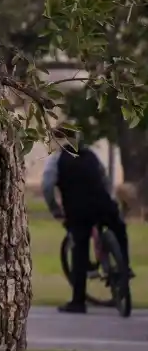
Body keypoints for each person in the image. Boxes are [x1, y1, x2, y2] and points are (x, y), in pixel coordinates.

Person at [44, 127, 133, 313]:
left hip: (78, 211)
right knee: (119, 231)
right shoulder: (91, 155)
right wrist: (107, 198)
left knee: (79, 251)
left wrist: (55, 209)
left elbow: (47, 186)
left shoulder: (57, 160)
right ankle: (124, 268)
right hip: (103, 204)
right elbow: (105, 178)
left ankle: (78, 302)